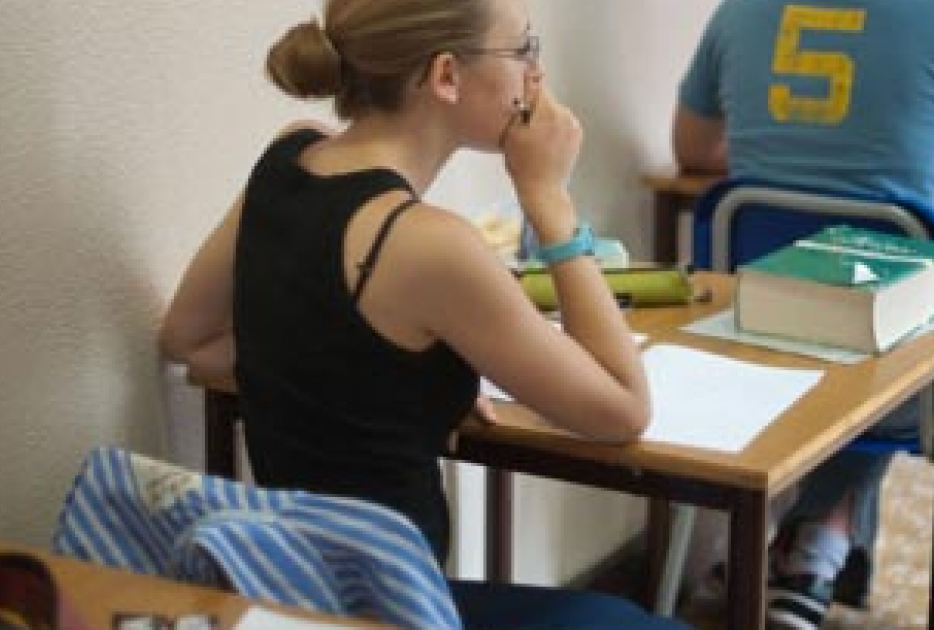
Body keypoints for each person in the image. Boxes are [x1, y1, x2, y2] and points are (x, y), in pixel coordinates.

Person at [159, 1, 689, 628]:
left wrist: (388, 382)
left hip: (290, 592)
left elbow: (188, 337)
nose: (536, 74)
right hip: (393, 607)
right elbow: (623, 410)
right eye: (522, 49)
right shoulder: (429, 245)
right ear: (445, 76)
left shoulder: (288, 157)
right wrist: (549, 201)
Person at [673, 0, 934, 628]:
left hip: (749, 351)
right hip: (907, 375)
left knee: (855, 332)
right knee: (898, 329)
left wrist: (798, 169)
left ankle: (814, 543)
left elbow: (693, 149)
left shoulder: (740, 11)